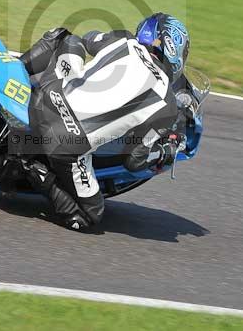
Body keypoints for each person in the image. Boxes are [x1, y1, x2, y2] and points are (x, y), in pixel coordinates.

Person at [14, 13, 190, 231]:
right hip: (66, 143)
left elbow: (88, 38)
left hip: (47, 95)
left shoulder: (124, 40)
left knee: (66, 38)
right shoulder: (168, 104)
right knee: (91, 215)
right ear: (178, 54)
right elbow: (134, 161)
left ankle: (14, 69)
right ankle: (32, 166)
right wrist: (164, 152)